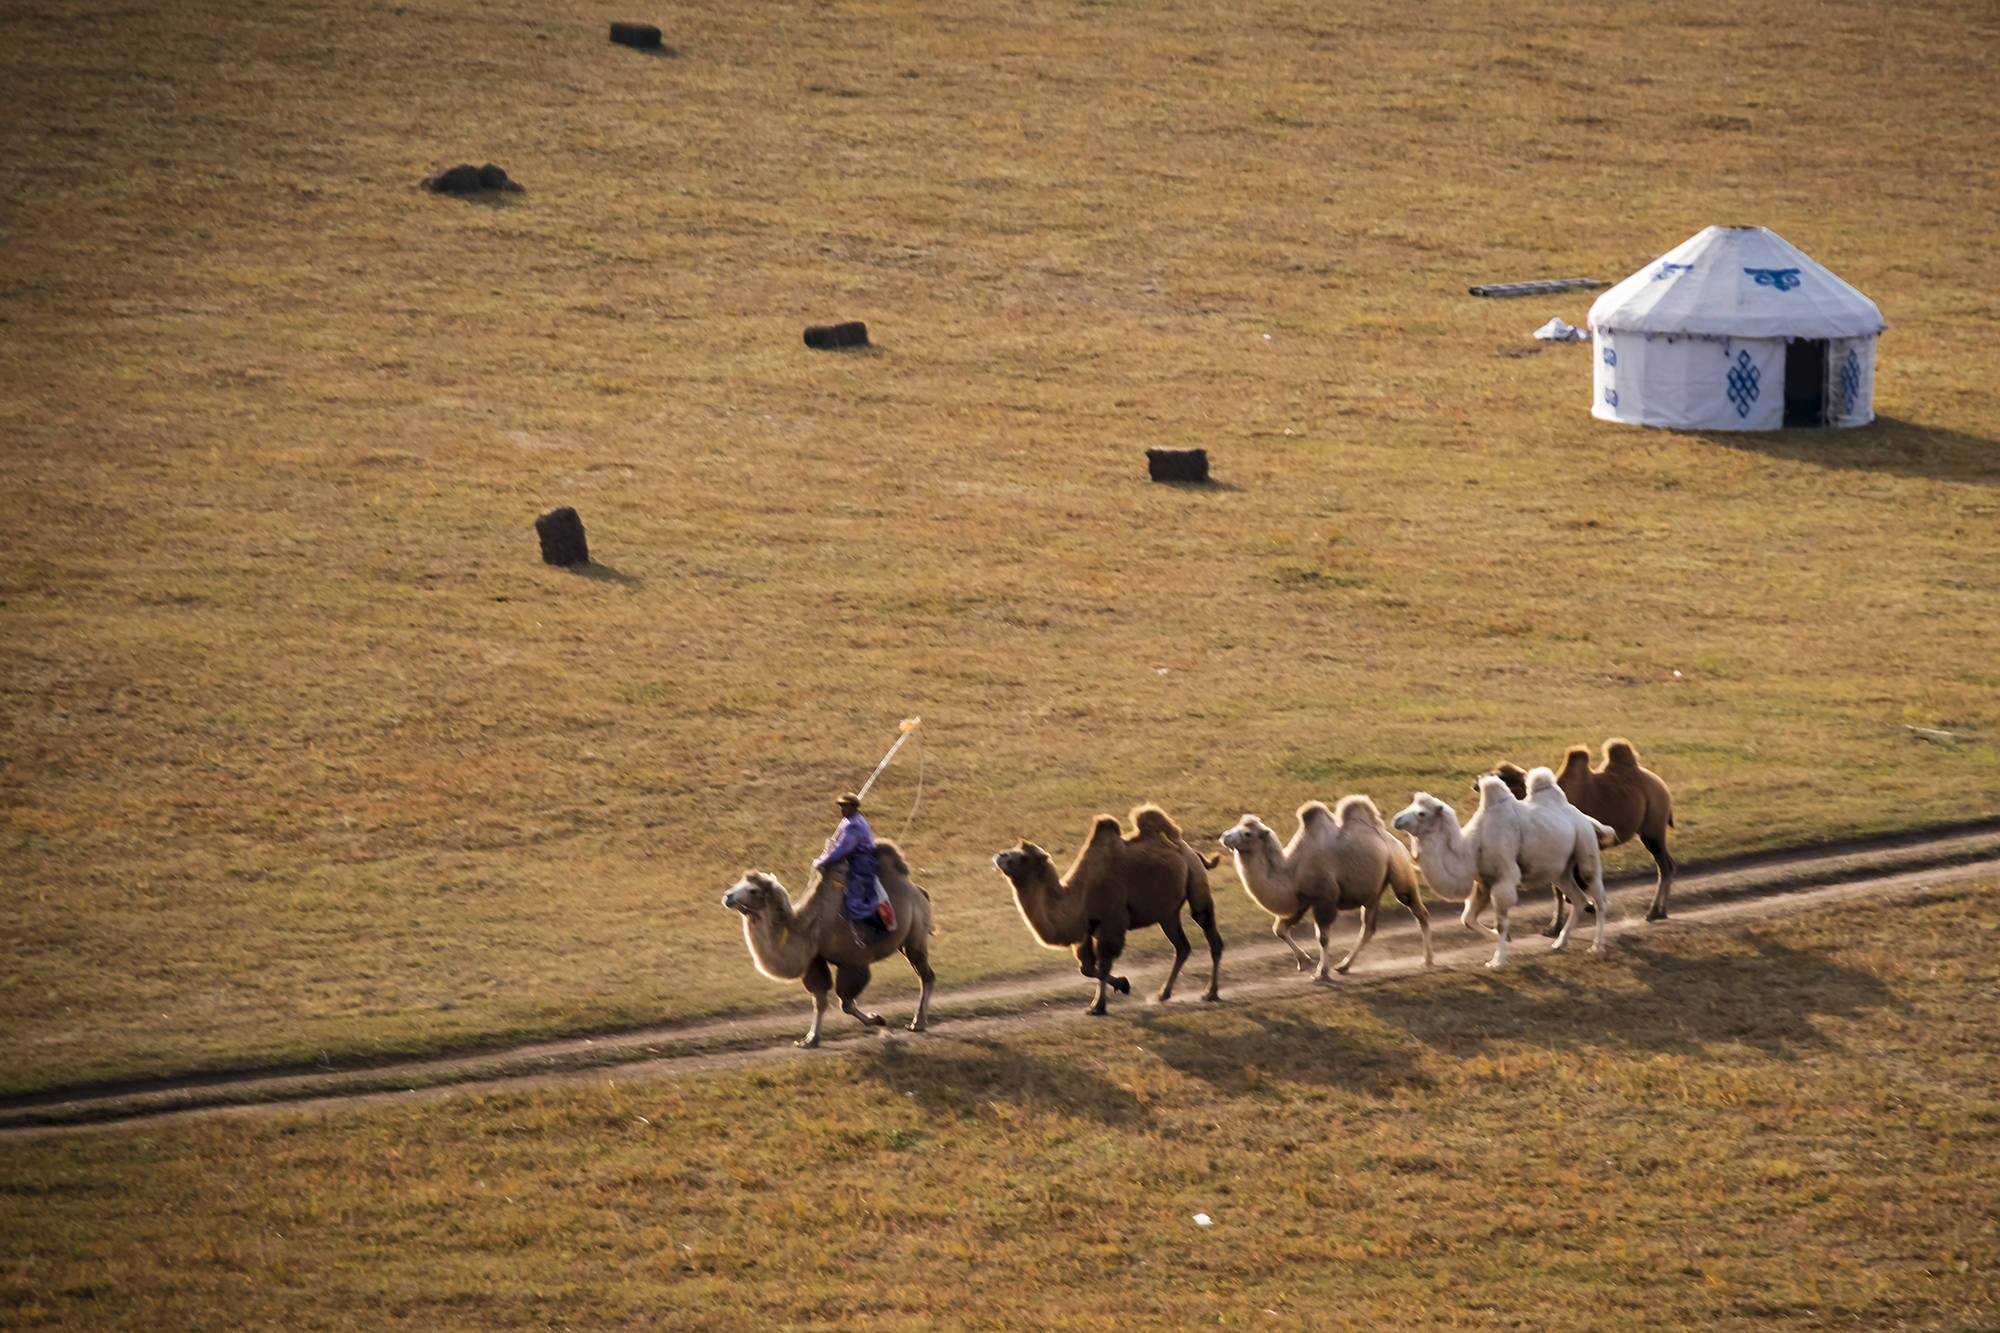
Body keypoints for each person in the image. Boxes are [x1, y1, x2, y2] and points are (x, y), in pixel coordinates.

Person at [814, 793, 893, 946]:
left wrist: (822, 861)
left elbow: (844, 848)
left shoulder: (853, 825)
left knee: (854, 902)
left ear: (852, 807)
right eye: (840, 806)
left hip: (862, 865)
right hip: (856, 861)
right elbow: (840, 844)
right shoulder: (850, 821)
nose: (842, 809)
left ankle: (880, 928)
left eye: (844, 806)